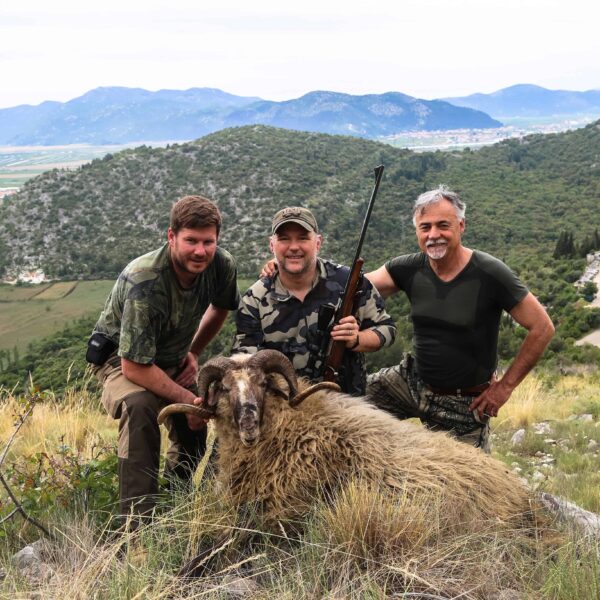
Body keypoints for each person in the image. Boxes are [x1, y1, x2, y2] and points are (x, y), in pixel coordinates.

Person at [365, 185, 555, 452]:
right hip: (408, 382)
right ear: (417, 231)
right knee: (344, 402)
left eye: (443, 225)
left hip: (463, 403)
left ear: (461, 225)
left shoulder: (490, 273)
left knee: (469, 489)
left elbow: (542, 327)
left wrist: (504, 388)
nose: (433, 235)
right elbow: (356, 285)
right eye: (425, 227)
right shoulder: (407, 268)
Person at [87, 195, 239, 522]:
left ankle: (175, 505)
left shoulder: (222, 265)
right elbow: (134, 367)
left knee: (191, 427)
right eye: (190, 241)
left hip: (170, 354)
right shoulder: (146, 281)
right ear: (171, 237)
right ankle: (137, 522)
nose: (200, 250)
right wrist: (191, 401)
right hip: (120, 358)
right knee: (140, 406)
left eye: (208, 242)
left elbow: (222, 306)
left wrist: (194, 352)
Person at [233, 206, 396, 395]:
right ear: (272, 245)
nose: (294, 247)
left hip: (346, 405)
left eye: (303, 237)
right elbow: (244, 364)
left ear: (318, 243)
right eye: (284, 238)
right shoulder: (255, 299)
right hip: (282, 409)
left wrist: (357, 339)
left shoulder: (349, 282)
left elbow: (387, 329)